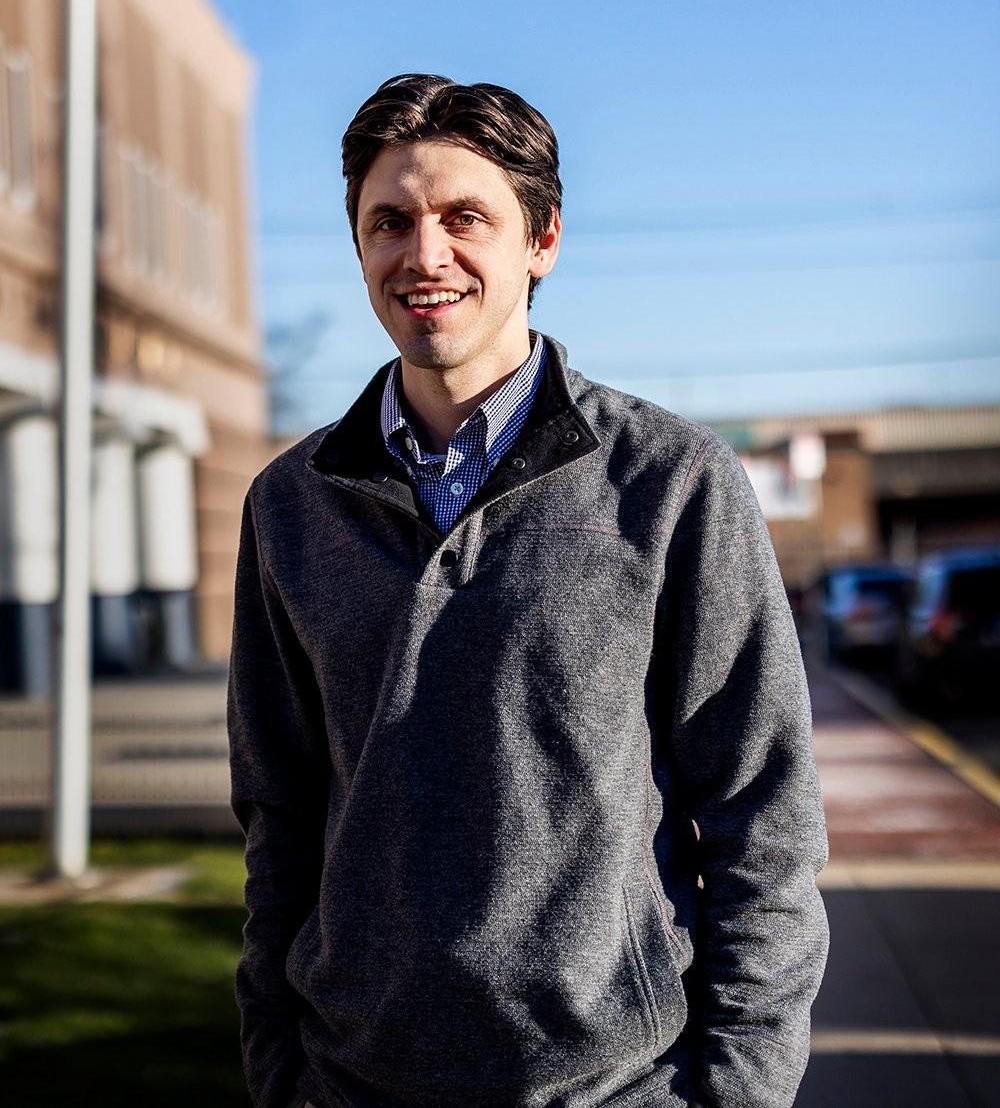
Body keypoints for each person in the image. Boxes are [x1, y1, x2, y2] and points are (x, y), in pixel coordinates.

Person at [227, 74, 829, 1108]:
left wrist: (740, 1086)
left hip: (617, 1085)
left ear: (540, 240)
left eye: (466, 217)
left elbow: (762, 816)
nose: (425, 255)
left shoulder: (668, 479)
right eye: (390, 222)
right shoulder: (291, 504)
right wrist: (278, 1070)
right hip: (349, 1080)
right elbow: (277, 816)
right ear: (360, 245)